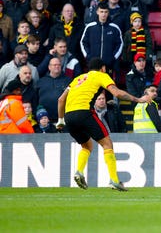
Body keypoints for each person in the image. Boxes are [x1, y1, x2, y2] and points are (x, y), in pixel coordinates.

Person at [57, 58, 151, 191]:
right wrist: (138, 99)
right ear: (102, 68)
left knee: (87, 145)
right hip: (85, 112)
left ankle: (79, 171)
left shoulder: (78, 79)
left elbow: (61, 100)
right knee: (107, 143)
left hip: (69, 116)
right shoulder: (101, 75)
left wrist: (60, 121)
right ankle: (114, 180)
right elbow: (117, 93)